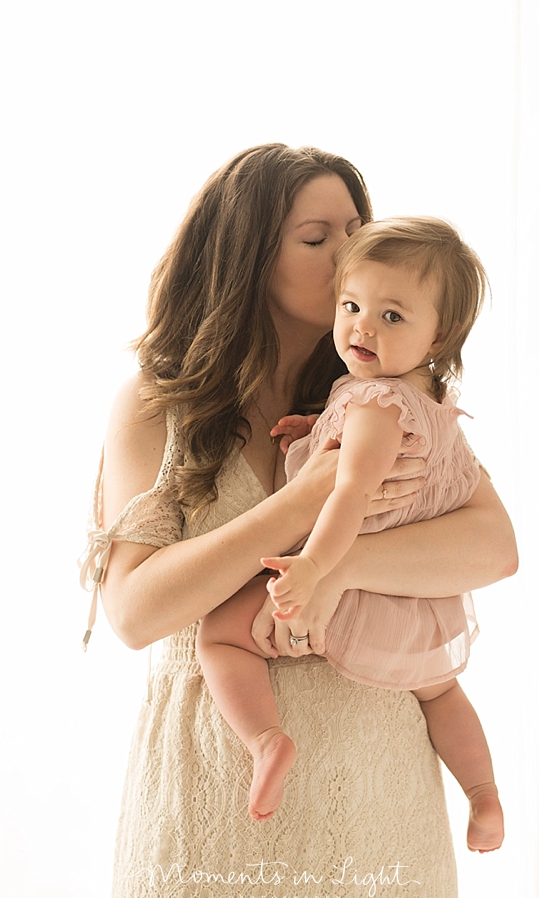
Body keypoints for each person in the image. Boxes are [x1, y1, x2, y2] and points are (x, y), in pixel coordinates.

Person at [80, 144, 518, 898]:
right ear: (247, 253)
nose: (347, 252)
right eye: (317, 236)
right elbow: (134, 612)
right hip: (213, 784)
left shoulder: (384, 393)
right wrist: (310, 503)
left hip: (375, 785)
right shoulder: (158, 400)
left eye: (355, 229)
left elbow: (494, 547)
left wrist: (342, 562)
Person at [196, 216, 504, 856]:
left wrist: (312, 567)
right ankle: (483, 796)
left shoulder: (372, 405)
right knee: (441, 690)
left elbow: (350, 492)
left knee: (221, 632)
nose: (362, 326)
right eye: (352, 305)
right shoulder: (434, 406)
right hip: (416, 602)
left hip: (349, 593)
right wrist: (313, 430)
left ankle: (265, 739)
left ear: (437, 334)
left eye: (392, 317)